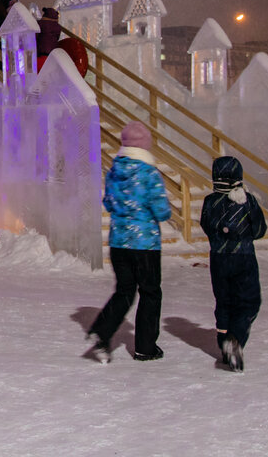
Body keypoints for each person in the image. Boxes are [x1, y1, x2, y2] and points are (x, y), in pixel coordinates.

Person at [87, 120, 172, 363]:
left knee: (124, 290)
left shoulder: (114, 171)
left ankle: (102, 333)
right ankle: (145, 347)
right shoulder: (149, 173)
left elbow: (108, 203)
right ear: (145, 147)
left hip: (119, 243)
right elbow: (161, 210)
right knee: (150, 292)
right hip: (145, 245)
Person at [200, 156, 268, 373]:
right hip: (243, 257)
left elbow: (206, 226)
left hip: (219, 258)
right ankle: (235, 339)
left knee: (224, 300)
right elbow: (259, 230)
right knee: (249, 301)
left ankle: (224, 347)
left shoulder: (210, 202)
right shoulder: (246, 201)